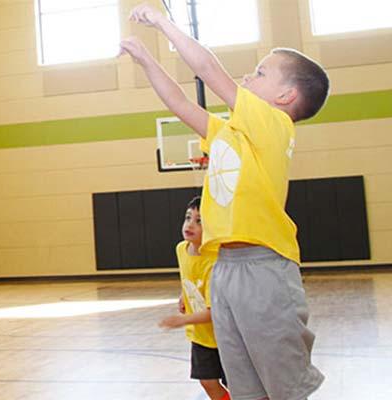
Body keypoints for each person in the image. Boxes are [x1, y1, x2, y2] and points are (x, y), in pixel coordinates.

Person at [121, 3, 330, 398]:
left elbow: (209, 70)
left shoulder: (273, 125)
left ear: (286, 95)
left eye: (261, 72)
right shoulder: (231, 133)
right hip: (226, 268)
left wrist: (164, 24)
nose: (249, 75)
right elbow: (181, 105)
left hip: (264, 269)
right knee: (245, 385)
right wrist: (146, 59)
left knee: (283, 386)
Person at [158, 197, 227, 400]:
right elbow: (189, 276)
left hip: (225, 336)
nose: (190, 224)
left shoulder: (215, 261)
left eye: (199, 221)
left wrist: (182, 320)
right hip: (201, 336)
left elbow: (214, 312)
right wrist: (184, 294)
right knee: (207, 381)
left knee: (238, 384)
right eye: (188, 218)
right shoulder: (182, 249)